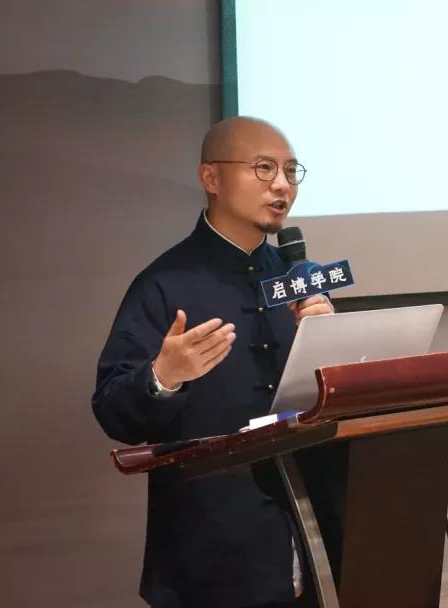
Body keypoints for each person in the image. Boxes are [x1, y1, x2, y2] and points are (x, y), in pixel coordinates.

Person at [92, 116, 333, 608]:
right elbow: (113, 411)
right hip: (213, 552)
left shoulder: (300, 281)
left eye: (291, 170)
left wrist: (332, 341)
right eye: (263, 168)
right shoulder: (164, 284)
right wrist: (163, 377)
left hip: (311, 534)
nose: (282, 185)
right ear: (211, 178)